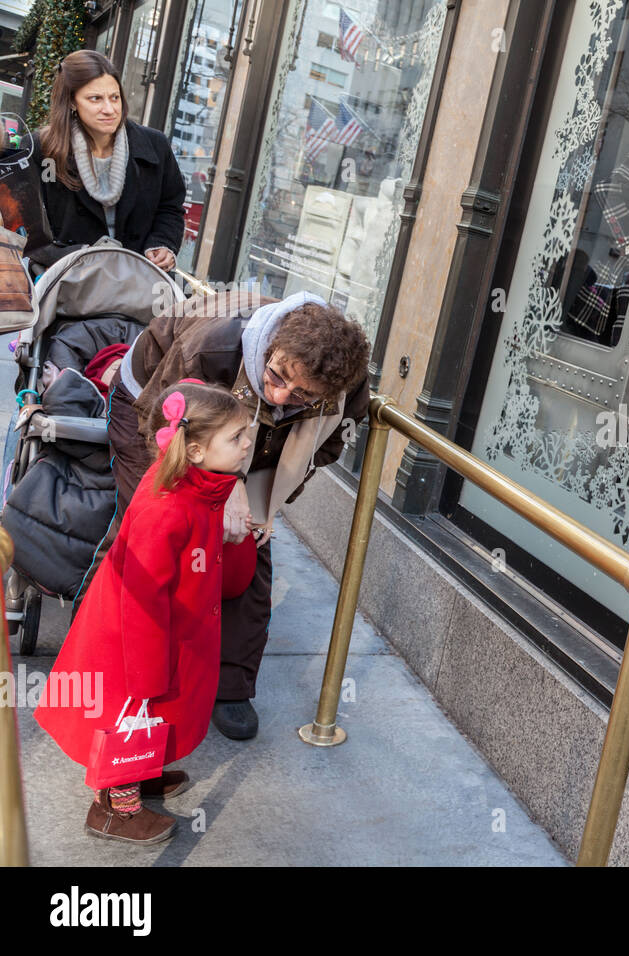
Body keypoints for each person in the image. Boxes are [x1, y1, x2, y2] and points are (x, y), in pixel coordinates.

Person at [104, 290, 371, 740]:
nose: (281, 394)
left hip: (251, 445)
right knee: (156, 529)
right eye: (277, 376)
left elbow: (324, 448)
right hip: (154, 409)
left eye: (303, 394)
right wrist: (225, 487)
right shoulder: (213, 348)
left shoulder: (347, 387)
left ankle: (230, 685)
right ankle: (121, 660)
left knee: (247, 551)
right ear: (270, 349)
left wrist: (255, 500)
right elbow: (159, 423)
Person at [35, 383, 253, 845]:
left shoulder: (204, 492)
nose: (248, 443)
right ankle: (115, 809)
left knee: (158, 714)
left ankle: (144, 769)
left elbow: (225, 577)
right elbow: (141, 598)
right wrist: (147, 670)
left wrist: (237, 538)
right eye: (237, 437)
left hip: (173, 632)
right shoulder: (165, 507)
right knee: (130, 716)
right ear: (194, 450)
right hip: (136, 642)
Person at [26, 49, 185, 271]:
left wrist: (162, 244)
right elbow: (28, 230)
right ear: (72, 102)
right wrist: (77, 256)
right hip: (68, 281)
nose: (109, 109)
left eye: (115, 97)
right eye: (95, 99)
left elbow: (170, 207)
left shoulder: (155, 146)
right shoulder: (41, 151)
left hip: (136, 279)